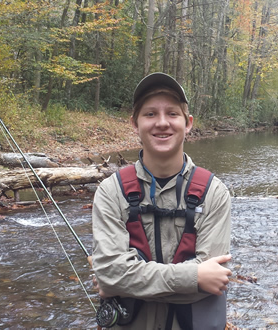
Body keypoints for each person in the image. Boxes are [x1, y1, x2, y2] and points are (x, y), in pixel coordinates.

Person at [90, 72, 232, 330]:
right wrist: (195, 277)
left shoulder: (215, 193)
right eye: (150, 114)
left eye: (172, 114)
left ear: (188, 123)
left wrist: (125, 281)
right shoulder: (111, 192)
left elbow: (214, 282)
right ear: (135, 123)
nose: (162, 123)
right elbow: (111, 275)